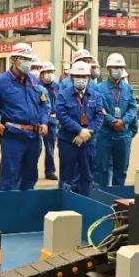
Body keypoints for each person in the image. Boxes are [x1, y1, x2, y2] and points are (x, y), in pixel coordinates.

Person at [0, 42, 49, 192]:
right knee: (9, 177)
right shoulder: (0, 82)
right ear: (14, 60)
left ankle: (25, 205)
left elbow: (43, 103)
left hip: (34, 138)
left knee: (30, 177)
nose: (28, 63)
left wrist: (44, 121)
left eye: (29, 59)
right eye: (24, 59)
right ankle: (5, 205)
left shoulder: (34, 81)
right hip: (13, 137)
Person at [56, 60, 104, 196]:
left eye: (84, 76)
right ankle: (65, 203)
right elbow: (62, 116)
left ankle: (85, 202)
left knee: (87, 175)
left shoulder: (96, 96)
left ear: (89, 78)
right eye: (78, 76)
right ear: (71, 77)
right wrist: (79, 130)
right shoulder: (63, 95)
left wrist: (86, 133)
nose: (81, 79)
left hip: (88, 142)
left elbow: (99, 116)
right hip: (68, 141)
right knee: (66, 176)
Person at [95, 53, 137, 186]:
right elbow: (99, 108)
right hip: (105, 135)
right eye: (115, 67)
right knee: (101, 169)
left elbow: (133, 108)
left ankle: (118, 196)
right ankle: (101, 196)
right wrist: (112, 121)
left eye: (120, 67)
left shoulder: (128, 89)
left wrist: (123, 121)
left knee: (121, 170)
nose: (118, 70)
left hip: (123, 135)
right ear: (108, 68)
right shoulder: (99, 88)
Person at [39, 61, 60, 181]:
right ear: (41, 74)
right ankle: (30, 170)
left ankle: (50, 171)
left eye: (51, 71)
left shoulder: (57, 87)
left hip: (52, 121)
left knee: (50, 148)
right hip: (39, 121)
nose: (49, 74)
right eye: (46, 72)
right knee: (36, 148)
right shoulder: (37, 87)